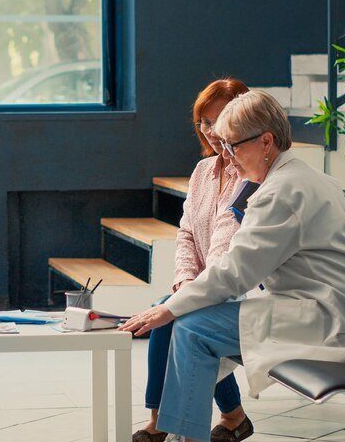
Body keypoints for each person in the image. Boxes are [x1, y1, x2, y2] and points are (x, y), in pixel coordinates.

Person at [121, 90, 345, 442]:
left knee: (192, 327)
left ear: (266, 142)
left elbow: (237, 270)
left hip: (326, 319)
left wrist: (168, 307)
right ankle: (186, 431)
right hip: (316, 306)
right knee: (190, 322)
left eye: (233, 147)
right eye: (223, 146)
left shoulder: (280, 191)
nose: (228, 157)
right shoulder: (292, 176)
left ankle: (186, 433)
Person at [132, 78, 252, 442]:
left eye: (219, 120)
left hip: (240, 287)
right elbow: (186, 233)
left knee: (172, 314)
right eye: (204, 121)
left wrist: (189, 295)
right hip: (205, 284)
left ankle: (159, 420)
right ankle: (233, 417)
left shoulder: (250, 175)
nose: (212, 130)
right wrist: (185, 282)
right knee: (176, 307)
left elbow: (225, 243)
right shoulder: (203, 172)